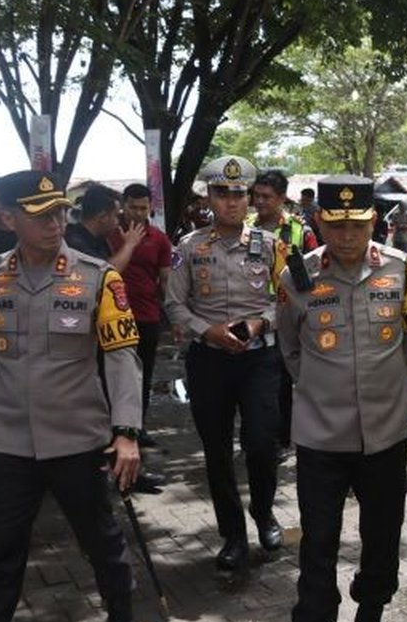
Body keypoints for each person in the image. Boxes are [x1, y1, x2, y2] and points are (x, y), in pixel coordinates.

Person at [0, 170, 143, 622]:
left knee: (101, 542)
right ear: (6, 218)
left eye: (60, 211)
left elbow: (122, 357)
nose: (55, 223)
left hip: (78, 438)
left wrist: (126, 432)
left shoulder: (98, 275)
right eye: (40, 215)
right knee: (0, 550)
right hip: (7, 440)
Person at [278, 175, 407, 622]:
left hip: (384, 436)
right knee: (319, 542)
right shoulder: (295, 277)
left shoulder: (401, 269)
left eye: (358, 224)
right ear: (320, 221)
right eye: (336, 224)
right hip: (321, 436)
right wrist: (329, 390)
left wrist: (384, 392)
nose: (347, 235)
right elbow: (291, 351)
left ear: (373, 223)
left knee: (383, 537)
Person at [164, 155, 286, 570]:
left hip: (259, 360)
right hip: (209, 361)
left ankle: (264, 513)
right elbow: (174, 304)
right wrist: (206, 330)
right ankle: (232, 534)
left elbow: (286, 303)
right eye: (222, 194)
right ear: (209, 196)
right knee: (216, 450)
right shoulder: (189, 247)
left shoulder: (271, 245)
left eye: (239, 194)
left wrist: (258, 322)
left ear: (249, 198)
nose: (231, 203)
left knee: (261, 442)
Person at [64, 185, 165, 495]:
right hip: (94, 338)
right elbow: (108, 275)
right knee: (107, 400)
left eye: (139, 207)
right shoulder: (77, 241)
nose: (125, 216)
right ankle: (117, 472)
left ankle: (124, 467)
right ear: (105, 214)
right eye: (121, 211)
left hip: (139, 322)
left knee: (132, 386)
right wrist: (131, 244)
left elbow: (165, 274)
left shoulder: (100, 239)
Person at [247, 169, 319, 453]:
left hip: (292, 317)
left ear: (281, 198)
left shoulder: (300, 231)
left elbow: (319, 271)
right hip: (255, 317)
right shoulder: (246, 228)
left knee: (290, 378)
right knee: (262, 382)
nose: (259, 202)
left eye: (266, 197)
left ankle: (285, 436)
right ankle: (266, 435)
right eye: (256, 196)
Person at [111, 184, 173, 445]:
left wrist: (171, 313)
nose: (138, 213)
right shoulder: (110, 234)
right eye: (133, 207)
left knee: (143, 374)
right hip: (113, 317)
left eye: (143, 208)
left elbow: (166, 278)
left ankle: (139, 426)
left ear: (150, 207)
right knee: (116, 375)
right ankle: (116, 429)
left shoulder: (159, 238)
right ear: (123, 206)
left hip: (147, 316)